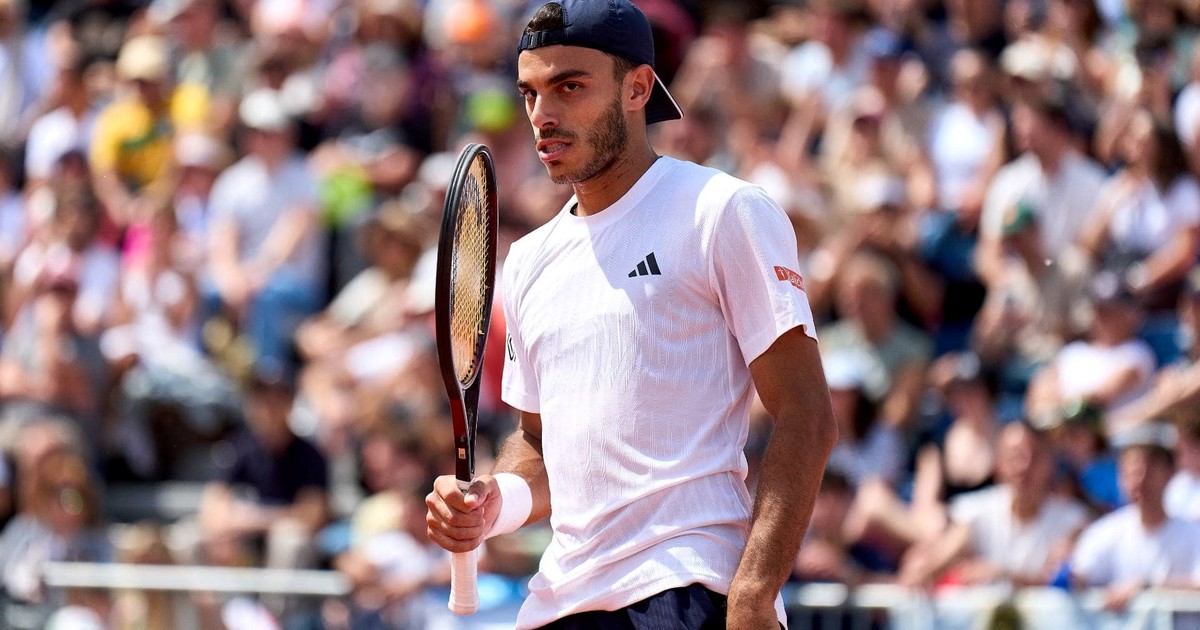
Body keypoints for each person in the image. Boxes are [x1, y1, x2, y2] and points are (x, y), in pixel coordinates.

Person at [425, 1, 838, 628]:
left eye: (570, 86)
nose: (542, 114)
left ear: (638, 88)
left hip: (686, 586)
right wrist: (491, 504)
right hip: (557, 606)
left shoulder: (722, 210)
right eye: (530, 93)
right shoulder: (529, 259)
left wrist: (753, 595)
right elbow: (539, 444)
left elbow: (807, 411)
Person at [1070, 423, 1200, 612]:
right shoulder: (1104, 531)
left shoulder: (1193, 533)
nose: (1141, 479)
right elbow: (1078, 576)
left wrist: (1146, 588)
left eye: (1151, 468)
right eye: (1132, 471)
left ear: (1170, 473)